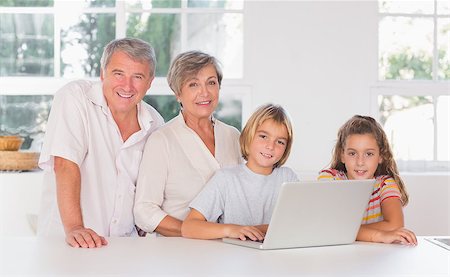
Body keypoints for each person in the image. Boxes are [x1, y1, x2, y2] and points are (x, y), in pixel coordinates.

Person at [37, 38, 164, 248]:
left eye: (138, 77)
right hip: (69, 244)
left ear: (150, 82)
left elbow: (150, 185)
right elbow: (65, 164)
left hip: (124, 247)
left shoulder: (155, 123)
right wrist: (75, 228)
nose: (127, 85)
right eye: (118, 74)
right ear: (102, 73)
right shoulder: (75, 97)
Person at [134, 51, 241, 237]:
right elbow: (144, 211)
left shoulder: (232, 136)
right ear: (178, 93)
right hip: (179, 252)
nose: (204, 92)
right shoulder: (163, 140)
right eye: (193, 84)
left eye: (211, 82)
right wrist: (194, 231)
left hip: (228, 250)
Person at [181, 104, 299, 241]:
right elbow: (188, 227)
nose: (270, 146)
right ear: (249, 135)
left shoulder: (287, 177)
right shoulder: (226, 178)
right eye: (263, 136)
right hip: (232, 258)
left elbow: (300, 222)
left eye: (280, 142)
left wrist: (257, 230)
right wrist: (232, 230)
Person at [318, 115, 417, 245]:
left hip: (373, 258)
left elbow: (396, 225)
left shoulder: (384, 184)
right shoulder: (329, 179)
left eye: (369, 154)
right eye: (352, 153)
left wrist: (345, 231)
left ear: (380, 156)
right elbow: (328, 228)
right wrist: (378, 235)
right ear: (342, 155)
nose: (360, 162)